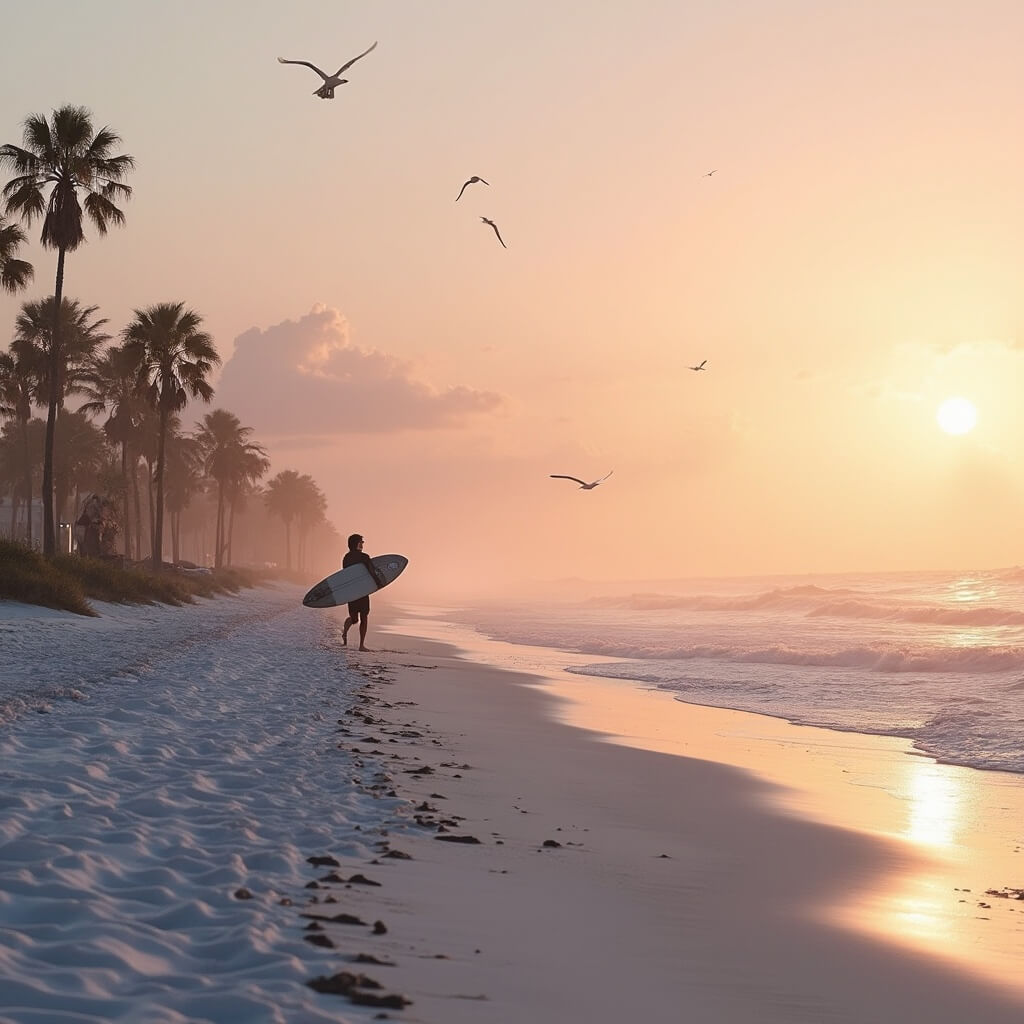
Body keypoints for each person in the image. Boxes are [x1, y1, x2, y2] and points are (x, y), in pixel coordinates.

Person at [341, 533, 385, 651]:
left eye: (362, 543)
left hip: (352, 591)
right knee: (358, 618)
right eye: (360, 542)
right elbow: (371, 571)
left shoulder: (346, 557)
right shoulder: (364, 557)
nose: (362, 544)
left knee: (359, 617)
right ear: (355, 544)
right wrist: (378, 583)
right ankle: (353, 639)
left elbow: (345, 574)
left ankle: (358, 642)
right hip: (362, 590)